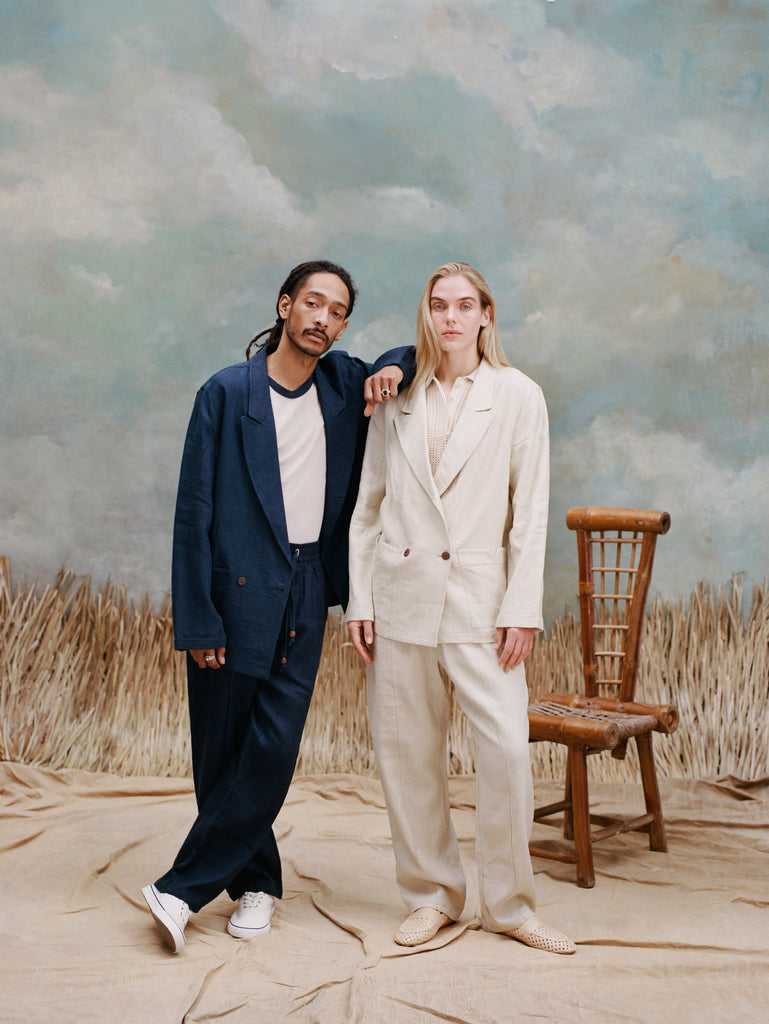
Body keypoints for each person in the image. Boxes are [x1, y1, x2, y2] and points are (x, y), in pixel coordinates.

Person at [142, 260, 413, 953]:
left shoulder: (343, 381)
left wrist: (394, 369)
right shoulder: (227, 393)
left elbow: (408, 353)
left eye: (337, 310)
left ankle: (178, 890)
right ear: (285, 305)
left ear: (343, 325)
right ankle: (257, 882)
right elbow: (193, 511)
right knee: (224, 750)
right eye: (312, 303)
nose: (322, 318)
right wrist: (197, 618)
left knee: (272, 747)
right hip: (234, 588)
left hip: (306, 583)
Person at [346, 261, 575, 955]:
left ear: (485, 316)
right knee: (406, 753)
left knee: (505, 749)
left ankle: (508, 905)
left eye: (463, 305)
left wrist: (522, 607)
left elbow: (529, 513)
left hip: (481, 603)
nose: (450, 317)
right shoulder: (396, 397)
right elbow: (368, 507)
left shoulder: (516, 395)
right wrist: (360, 596)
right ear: (427, 314)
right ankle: (431, 895)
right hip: (400, 596)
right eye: (438, 305)